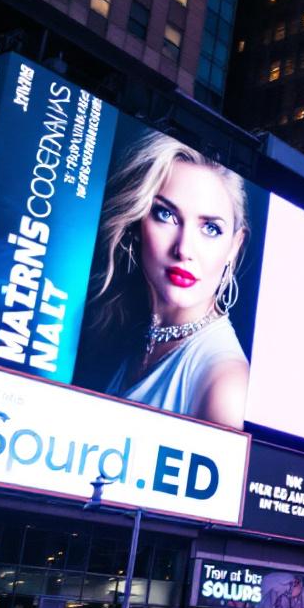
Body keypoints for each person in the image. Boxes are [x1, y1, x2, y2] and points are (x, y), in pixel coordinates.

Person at [83, 130, 251, 428]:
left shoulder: (225, 383)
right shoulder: (136, 333)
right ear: (137, 223)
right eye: (166, 215)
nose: (184, 249)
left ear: (234, 246)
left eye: (210, 228)